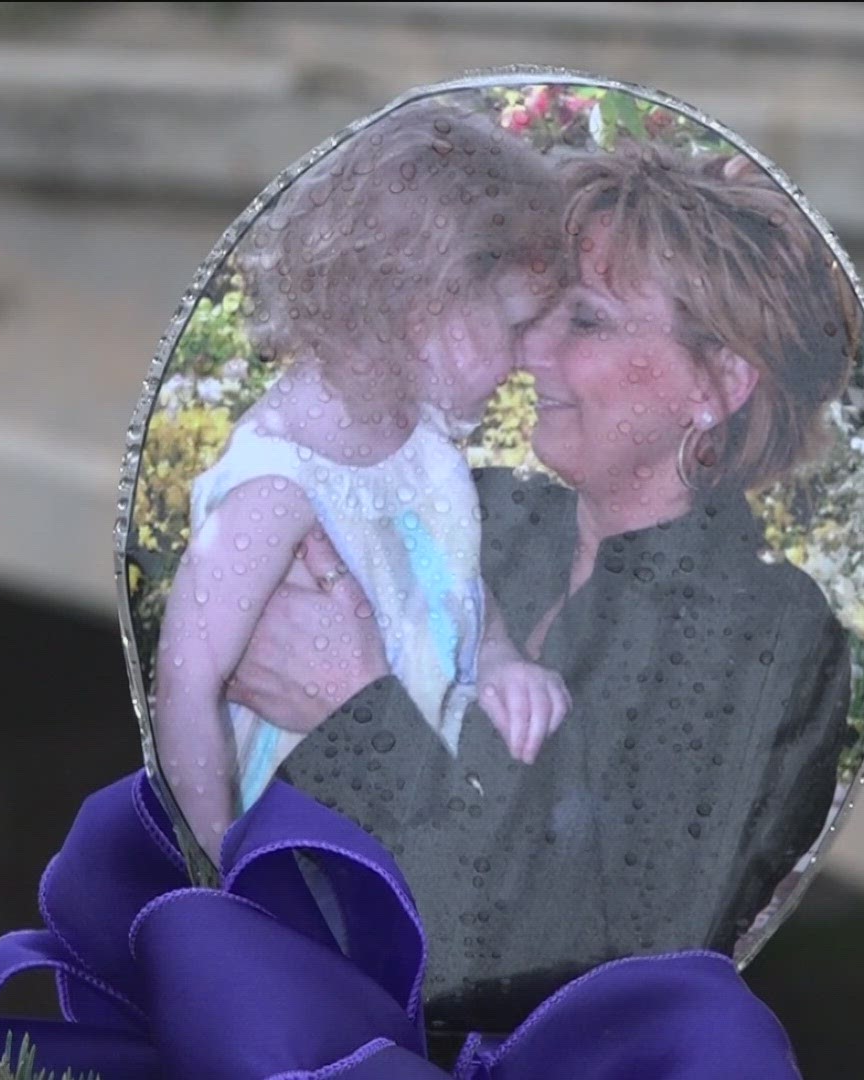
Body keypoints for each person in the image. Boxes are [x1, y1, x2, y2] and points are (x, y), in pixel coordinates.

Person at [229, 140, 860, 1033]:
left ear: (719, 383)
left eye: (588, 322)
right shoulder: (480, 521)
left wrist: (356, 708)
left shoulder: (766, 637)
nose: (531, 354)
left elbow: (584, 957)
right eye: (540, 315)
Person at [151, 97, 572, 866]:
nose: (521, 362)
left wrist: (506, 664)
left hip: (404, 814)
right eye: (512, 327)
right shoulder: (277, 486)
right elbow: (186, 684)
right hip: (303, 837)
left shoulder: (421, 442)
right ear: (421, 306)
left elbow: (458, 582)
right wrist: (217, 862)